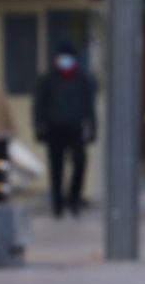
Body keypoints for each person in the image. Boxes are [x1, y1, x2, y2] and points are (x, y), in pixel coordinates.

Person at [33, 41, 97, 218]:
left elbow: (89, 105)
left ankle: (74, 198)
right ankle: (58, 203)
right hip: (55, 129)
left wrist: (92, 127)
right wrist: (39, 126)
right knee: (56, 168)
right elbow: (39, 104)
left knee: (79, 162)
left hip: (75, 128)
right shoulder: (48, 79)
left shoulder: (82, 78)